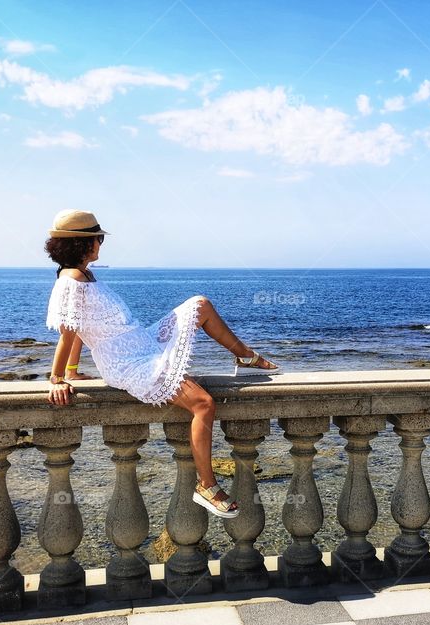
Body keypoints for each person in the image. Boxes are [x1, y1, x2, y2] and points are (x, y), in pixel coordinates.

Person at [43, 209, 280, 518]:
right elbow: (69, 332)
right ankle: (206, 486)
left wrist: (73, 371)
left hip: (142, 343)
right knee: (203, 404)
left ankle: (245, 355)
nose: (101, 244)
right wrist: (57, 378)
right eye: (98, 238)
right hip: (128, 362)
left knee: (201, 305)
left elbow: (80, 327)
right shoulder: (71, 280)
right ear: (83, 244)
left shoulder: (85, 274)